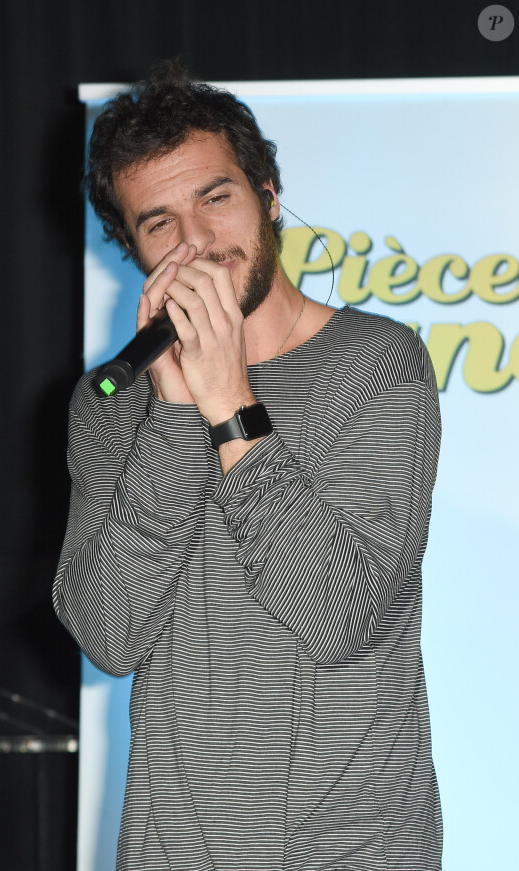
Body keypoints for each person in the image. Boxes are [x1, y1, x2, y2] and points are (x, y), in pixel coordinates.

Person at [53, 61, 443, 870]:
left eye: (215, 197)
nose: (196, 241)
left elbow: (339, 618)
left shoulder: (375, 364)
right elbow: (108, 634)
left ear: (267, 197)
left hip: (349, 852)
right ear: (132, 248)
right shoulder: (112, 400)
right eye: (159, 222)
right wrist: (171, 411)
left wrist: (228, 400)